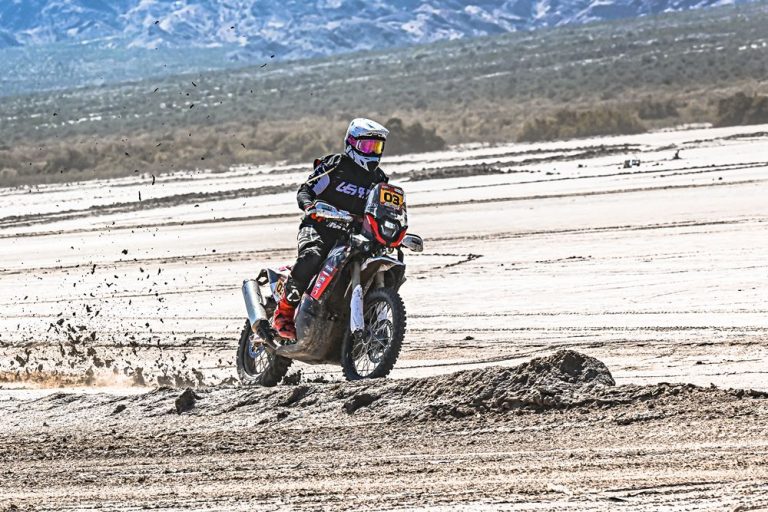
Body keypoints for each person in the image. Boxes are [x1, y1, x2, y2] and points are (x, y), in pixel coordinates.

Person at [272, 118, 390, 339]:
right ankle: (284, 312)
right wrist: (309, 206)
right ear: (352, 143)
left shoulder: (379, 178)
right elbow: (306, 190)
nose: (372, 152)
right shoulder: (335, 165)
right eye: (367, 146)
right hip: (320, 226)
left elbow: (383, 207)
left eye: (377, 147)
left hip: (354, 235)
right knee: (312, 256)